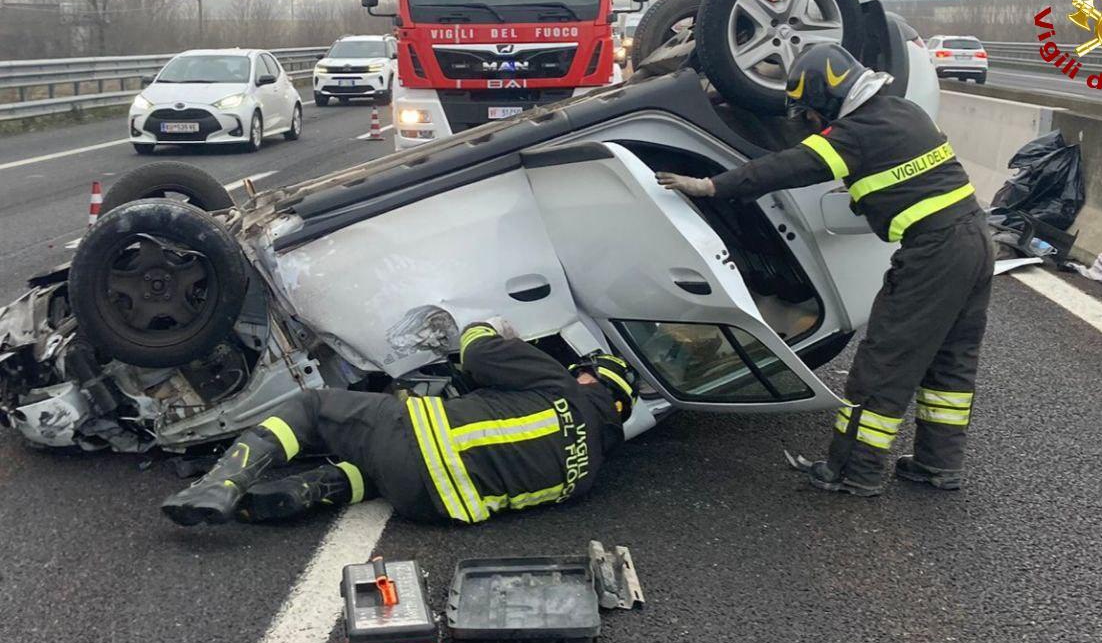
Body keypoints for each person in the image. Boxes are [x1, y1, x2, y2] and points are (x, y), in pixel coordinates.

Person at [657, 43, 993, 496]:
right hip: (974, 239)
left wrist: (712, 185)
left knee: (884, 363)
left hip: (934, 252)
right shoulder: (906, 113)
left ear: (827, 98)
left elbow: (786, 167)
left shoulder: (854, 134)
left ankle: (855, 470)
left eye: (810, 112)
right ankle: (939, 465)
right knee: (951, 361)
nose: (811, 123)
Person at [161, 320, 638, 526]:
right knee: (380, 470)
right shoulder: (587, 474)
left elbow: (475, 348)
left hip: (416, 443)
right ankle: (313, 490)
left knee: (312, 407)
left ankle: (219, 485)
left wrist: (494, 328)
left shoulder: (562, 386)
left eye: (585, 369)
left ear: (594, 380)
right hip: (435, 506)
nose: (579, 372)